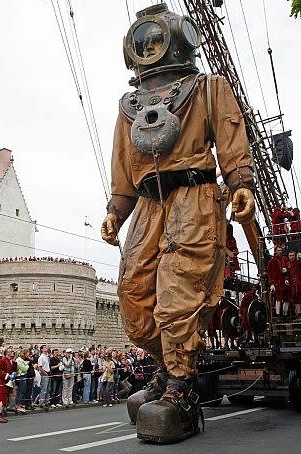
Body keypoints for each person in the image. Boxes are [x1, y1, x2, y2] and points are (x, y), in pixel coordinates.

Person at [101, 4, 256, 443]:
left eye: (156, 39)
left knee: (177, 291)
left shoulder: (207, 89)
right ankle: (169, 367)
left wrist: (240, 181)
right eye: (143, 41)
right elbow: (123, 169)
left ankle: (182, 390)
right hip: (148, 206)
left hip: (194, 197)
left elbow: (229, 136)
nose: (150, 47)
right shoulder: (128, 107)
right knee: (133, 296)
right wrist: (116, 210)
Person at [0, 349, 15, 423]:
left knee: (5, 399)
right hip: (1, 382)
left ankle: (1, 415)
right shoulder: (2, 360)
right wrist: (6, 375)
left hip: (6, 382)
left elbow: (12, 369)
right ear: (7, 353)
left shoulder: (9, 361)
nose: (13, 353)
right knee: (2, 399)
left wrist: (14, 362)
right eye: (11, 352)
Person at [268, 245, 289, 322]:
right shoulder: (272, 261)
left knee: (287, 299)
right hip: (277, 283)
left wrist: (286, 274)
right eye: (278, 250)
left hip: (285, 283)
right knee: (278, 299)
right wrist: (272, 283)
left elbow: (289, 268)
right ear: (275, 251)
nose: (280, 252)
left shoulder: (285, 259)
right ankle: (278, 316)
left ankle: (285, 315)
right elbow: (270, 273)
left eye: (281, 250)